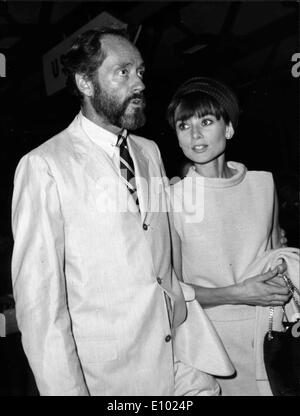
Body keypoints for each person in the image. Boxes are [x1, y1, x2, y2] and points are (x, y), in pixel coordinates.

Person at [11, 29, 232, 396]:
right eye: (123, 72)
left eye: (141, 72)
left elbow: (164, 247)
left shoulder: (149, 152)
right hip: (110, 381)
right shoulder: (44, 166)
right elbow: (40, 309)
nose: (139, 83)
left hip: (179, 359)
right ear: (85, 82)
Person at [166, 77, 294, 396]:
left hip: (271, 332)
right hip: (214, 346)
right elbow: (174, 292)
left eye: (206, 121)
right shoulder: (171, 198)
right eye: (184, 126)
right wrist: (240, 293)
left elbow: (277, 257)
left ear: (229, 128)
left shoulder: (264, 184)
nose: (195, 134)